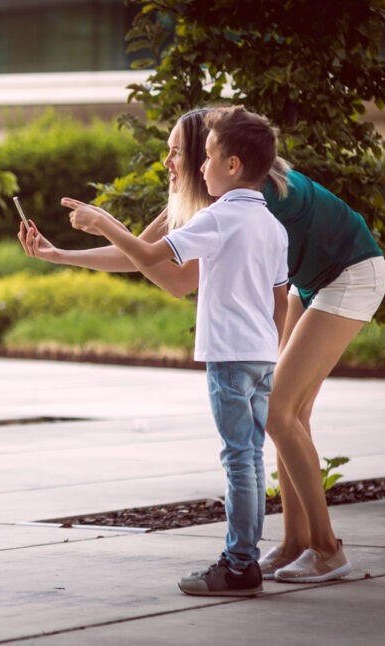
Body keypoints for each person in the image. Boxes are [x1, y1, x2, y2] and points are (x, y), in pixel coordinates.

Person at [18, 107, 385, 585]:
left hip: (350, 273)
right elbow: (144, 254)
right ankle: (295, 542)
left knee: (280, 413)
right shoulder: (219, 194)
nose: (168, 162)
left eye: (175, 151)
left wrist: (106, 223)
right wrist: (59, 254)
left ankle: (327, 549)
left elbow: (169, 273)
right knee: (288, 415)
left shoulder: (244, 201)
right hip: (309, 281)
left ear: (212, 157)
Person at [68, 106, 287, 597]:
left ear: (231, 165)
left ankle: (239, 565)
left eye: (205, 157)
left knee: (237, 461)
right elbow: (280, 300)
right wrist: (271, 351)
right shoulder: (273, 225)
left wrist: (103, 221)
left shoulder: (218, 217)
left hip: (229, 358)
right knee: (251, 459)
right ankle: (245, 559)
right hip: (261, 357)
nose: (199, 167)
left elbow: (149, 255)